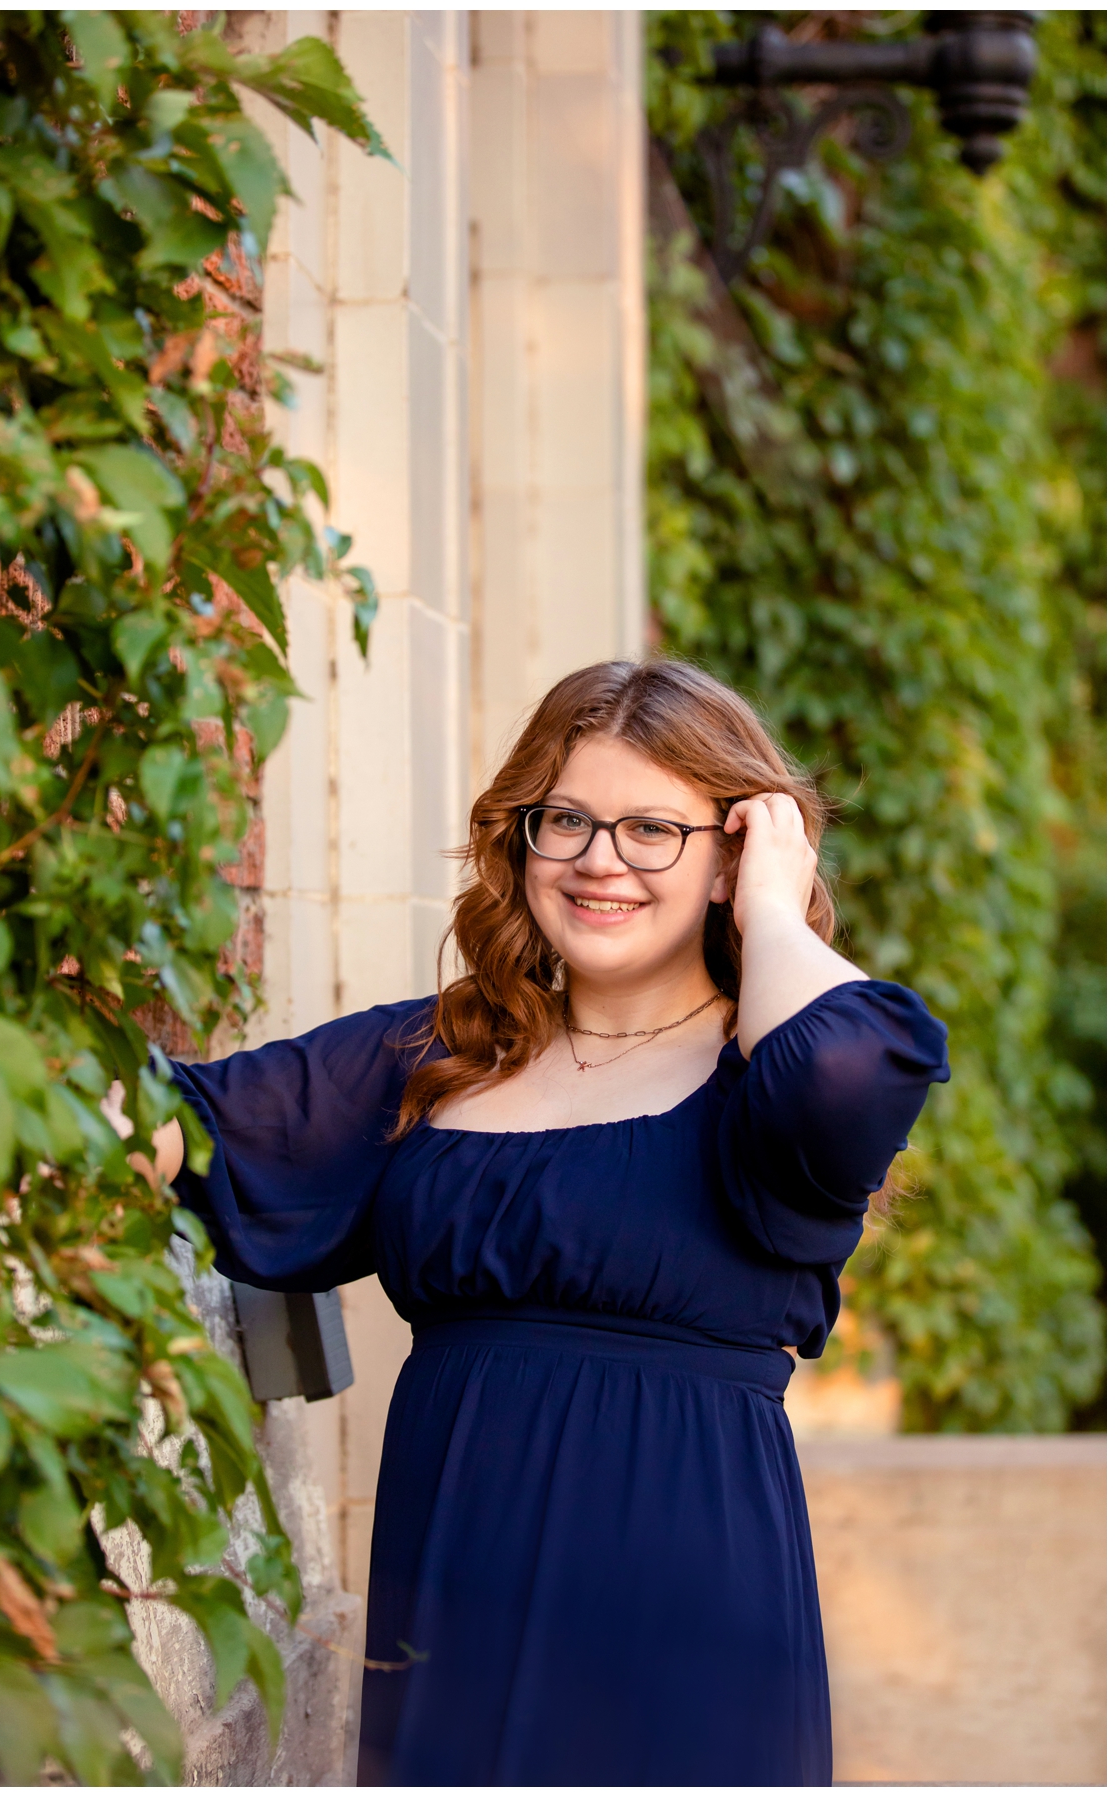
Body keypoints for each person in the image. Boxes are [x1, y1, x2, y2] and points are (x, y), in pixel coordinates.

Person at [147, 660, 948, 1785]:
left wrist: (772, 901)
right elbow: (185, 1127)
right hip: (452, 1600)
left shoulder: (765, 1078)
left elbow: (851, 1073)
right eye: (564, 819)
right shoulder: (432, 1058)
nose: (598, 859)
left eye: (652, 830)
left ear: (731, 850)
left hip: (682, 1622)